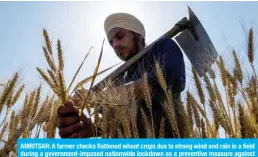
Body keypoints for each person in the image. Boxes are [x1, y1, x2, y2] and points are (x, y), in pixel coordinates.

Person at [57, 13, 186, 138]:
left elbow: (170, 78)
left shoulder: (161, 46)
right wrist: (92, 129)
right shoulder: (120, 79)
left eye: (119, 36)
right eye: (111, 42)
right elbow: (122, 123)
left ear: (138, 34)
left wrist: (96, 98)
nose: (115, 45)